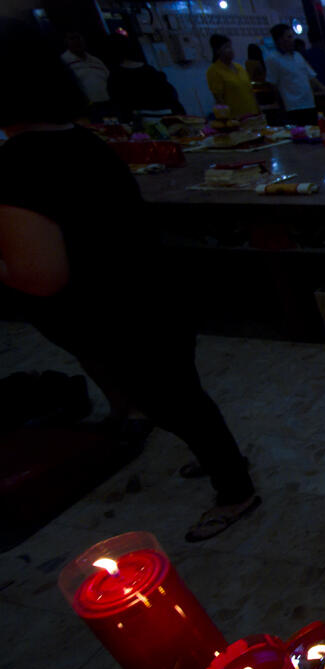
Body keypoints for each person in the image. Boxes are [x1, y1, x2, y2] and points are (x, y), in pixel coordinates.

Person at [0, 18, 259, 541]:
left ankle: (236, 490)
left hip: (122, 312)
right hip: (148, 296)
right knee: (179, 398)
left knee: (177, 401)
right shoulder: (82, 141)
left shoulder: (21, 164)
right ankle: (220, 459)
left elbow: (41, 275)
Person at [264, 23, 325, 125]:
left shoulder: (297, 55)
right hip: (293, 107)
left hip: (309, 103)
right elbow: (272, 84)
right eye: (289, 36)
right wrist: (280, 105)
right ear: (279, 40)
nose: (293, 39)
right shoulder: (273, 59)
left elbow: (311, 77)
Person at [107, 35, 184, 122]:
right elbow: (172, 96)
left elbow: (120, 107)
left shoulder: (116, 77)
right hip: (169, 119)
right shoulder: (151, 71)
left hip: (142, 125)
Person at [61, 31, 111, 121]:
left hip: (106, 105)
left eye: (78, 38)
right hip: (84, 108)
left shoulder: (96, 60)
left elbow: (108, 78)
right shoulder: (63, 61)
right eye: (72, 38)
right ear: (66, 41)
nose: (76, 41)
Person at [206, 34, 259, 118]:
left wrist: (258, 111)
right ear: (217, 51)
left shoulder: (239, 67)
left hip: (253, 113)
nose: (231, 50)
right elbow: (219, 100)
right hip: (235, 118)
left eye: (230, 47)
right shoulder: (214, 71)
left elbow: (250, 90)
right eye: (226, 48)